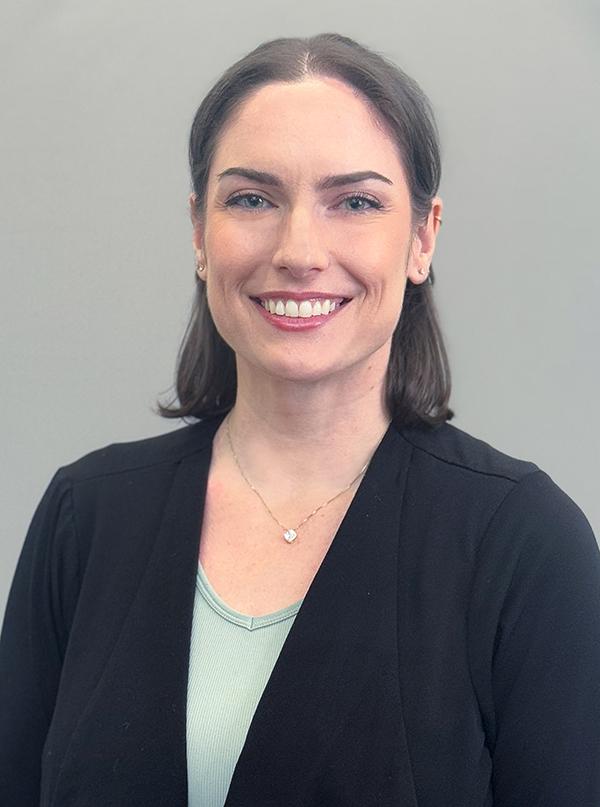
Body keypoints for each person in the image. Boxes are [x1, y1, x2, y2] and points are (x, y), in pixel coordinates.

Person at [1, 33, 599, 807]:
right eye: (252, 198)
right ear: (198, 232)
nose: (299, 251)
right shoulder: (84, 517)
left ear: (422, 237)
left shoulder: (525, 544)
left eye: (354, 201)